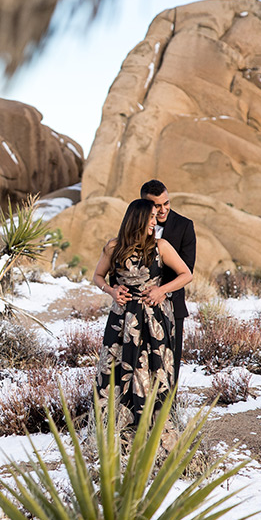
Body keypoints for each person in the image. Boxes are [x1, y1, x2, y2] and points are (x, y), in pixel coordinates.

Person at [91, 198, 192, 428]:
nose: (154, 223)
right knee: (115, 368)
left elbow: (186, 274)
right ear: (137, 219)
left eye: (155, 219)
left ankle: (151, 428)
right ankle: (114, 427)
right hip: (122, 319)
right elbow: (97, 276)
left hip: (153, 320)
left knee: (152, 371)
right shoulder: (113, 247)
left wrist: (161, 291)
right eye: (151, 218)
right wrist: (111, 290)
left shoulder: (161, 246)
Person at [139, 179, 196, 387]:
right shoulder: (133, 226)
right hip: (138, 309)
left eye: (166, 203)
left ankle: (169, 415)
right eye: (157, 205)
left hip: (172, 306)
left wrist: (162, 291)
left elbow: (187, 270)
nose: (163, 210)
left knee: (169, 368)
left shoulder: (184, 226)